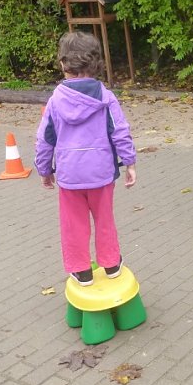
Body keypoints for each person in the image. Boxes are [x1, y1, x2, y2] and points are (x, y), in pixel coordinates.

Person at [35, 31, 137, 286]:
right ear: (97, 63)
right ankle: (111, 264)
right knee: (105, 219)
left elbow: (45, 139)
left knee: (73, 224)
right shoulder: (106, 97)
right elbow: (120, 131)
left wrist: (44, 169)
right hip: (101, 173)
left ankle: (81, 270)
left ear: (63, 63)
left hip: (70, 175)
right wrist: (130, 162)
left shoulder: (55, 101)